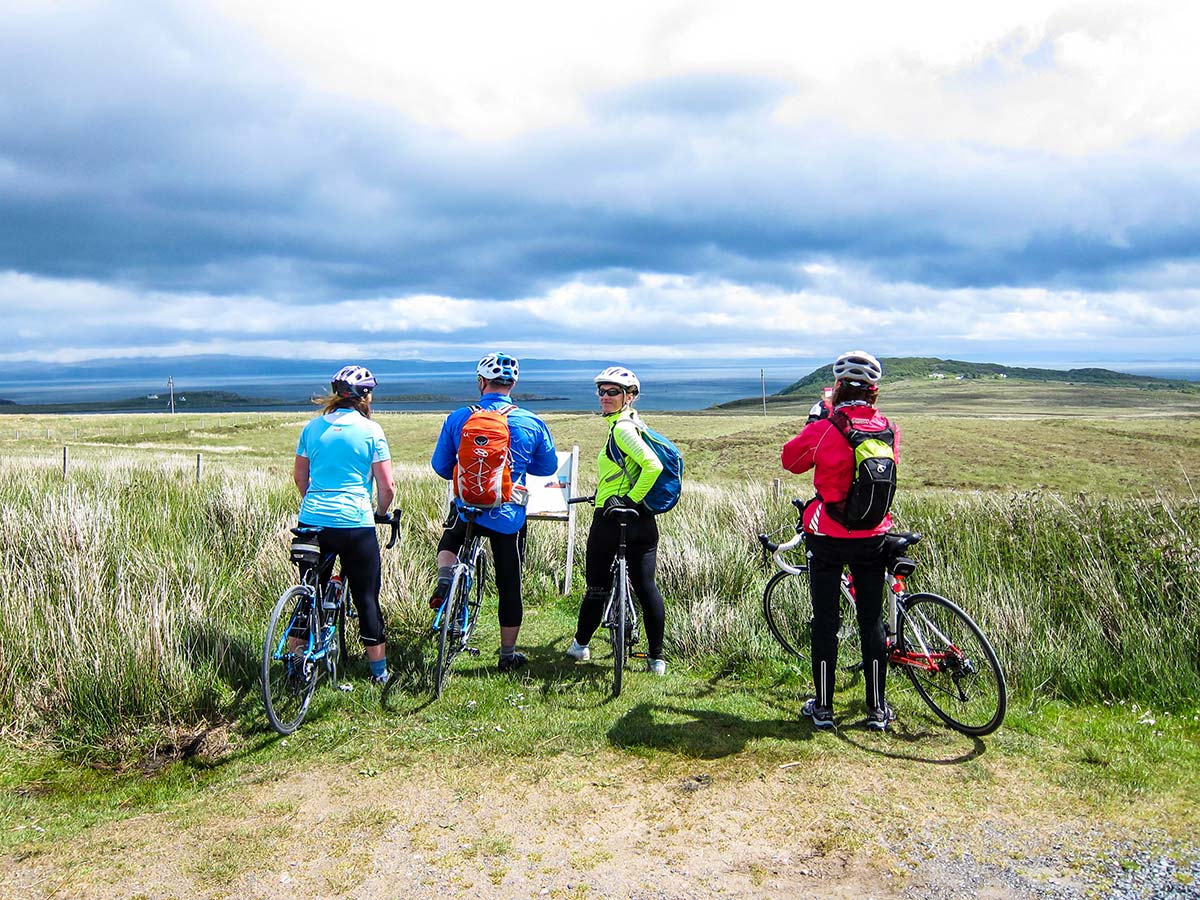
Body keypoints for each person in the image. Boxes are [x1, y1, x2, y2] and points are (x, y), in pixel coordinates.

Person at [780, 350, 900, 731]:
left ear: (837, 388)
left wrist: (817, 418)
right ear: (873, 392)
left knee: (826, 623)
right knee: (871, 621)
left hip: (828, 538)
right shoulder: (889, 429)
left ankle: (824, 708)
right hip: (874, 537)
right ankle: (877, 709)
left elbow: (790, 461)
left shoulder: (824, 428)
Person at [430, 352, 558, 672]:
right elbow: (548, 467)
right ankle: (507, 655)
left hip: (468, 510)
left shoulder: (459, 417)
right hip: (506, 515)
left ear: (481, 382)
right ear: (513, 383)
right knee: (509, 584)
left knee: (450, 541)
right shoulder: (530, 421)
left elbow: (441, 467)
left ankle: (446, 578)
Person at [293, 364, 396, 685]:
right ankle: (378, 673)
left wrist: (315, 503)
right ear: (365, 396)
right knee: (366, 596)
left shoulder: (312, 428)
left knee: (310, 593)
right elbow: (387, 487)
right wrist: (380, 512)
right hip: (354, 522)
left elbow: (300, 478)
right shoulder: (371, 430)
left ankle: (296, 662)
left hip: (311, 522)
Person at [566, 366, 668, 675]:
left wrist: (627, 499)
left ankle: (581, 645)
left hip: (613, 517)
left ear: (630, 396)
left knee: (597, 586)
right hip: (644, 522)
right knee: (646, 586)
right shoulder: (637, 425)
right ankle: (656, 659)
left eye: (613, 392)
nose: (604, 397)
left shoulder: (622, 429)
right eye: (601, 391)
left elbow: (652, 466)